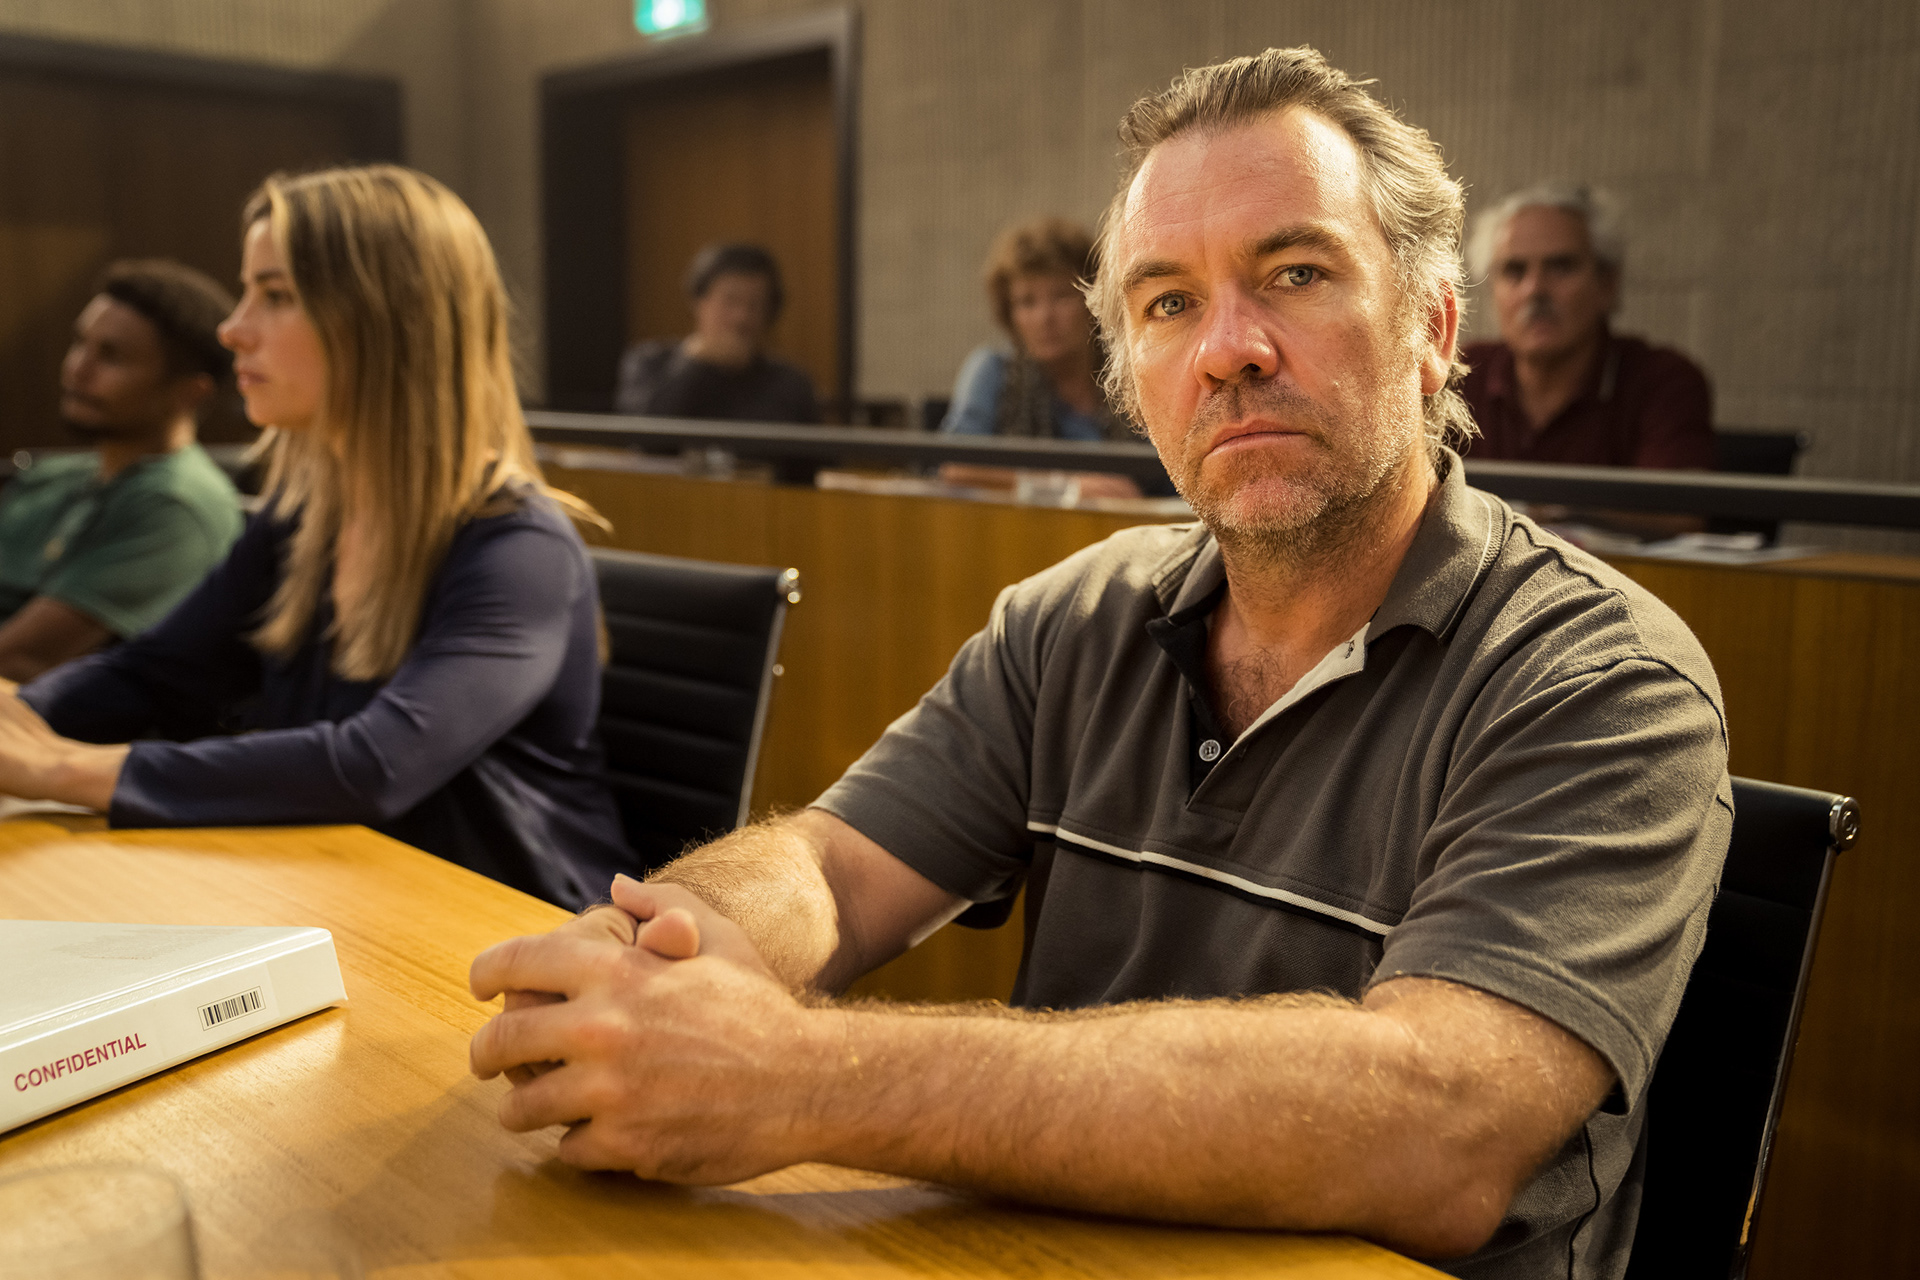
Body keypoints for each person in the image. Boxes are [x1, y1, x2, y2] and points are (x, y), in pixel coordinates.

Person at [467, 49, 1730, 1278]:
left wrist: (797, 1074)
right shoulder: (1075, 616)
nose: (1229, 348)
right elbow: (836, 869)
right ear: (1132, 378)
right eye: (1168, 302)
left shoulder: (1602, 681)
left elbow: (1437, 1125)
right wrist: (675, 946)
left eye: (1295, 273)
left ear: (1434, 327)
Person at [0, 166, 631, 911]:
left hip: (504, 921)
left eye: (276, 296)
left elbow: (374, 766)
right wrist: (24, 719)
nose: (232, 329)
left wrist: (58, 769)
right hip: (342, 893)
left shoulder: (520, 548)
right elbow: (151, 672)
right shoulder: (299, 520)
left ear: (385, 323)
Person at [0, 261, 244, 682]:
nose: (78, 369)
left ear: (190, 392)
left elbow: (20, 659)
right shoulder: (51, 475)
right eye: (81, 343)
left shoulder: (176, 505)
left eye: (111, 356)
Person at [1461, 183, 1715, 469]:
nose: (1534, 289)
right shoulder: (1462, 376)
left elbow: (1671, 499)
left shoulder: (1663, 384)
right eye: (1514, 270)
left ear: (1607, 284)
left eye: (1561, 266)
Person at [939, 219, 1156, 500]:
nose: (1045, 318)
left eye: (1061, 296)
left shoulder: (1131, 370)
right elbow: (955, 468)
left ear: (1094, 299)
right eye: (1027, 302)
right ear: (1009, 315)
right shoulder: (993, 370)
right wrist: (1065, 488)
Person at [614, 243, 819, 424]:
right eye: (731, 300)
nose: (742, 317)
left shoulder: (791, 383)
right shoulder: (649, 362)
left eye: (755, 304)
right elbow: (641, 437)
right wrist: (695, 363)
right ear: (698, 302)